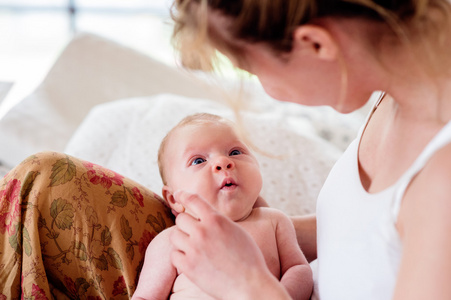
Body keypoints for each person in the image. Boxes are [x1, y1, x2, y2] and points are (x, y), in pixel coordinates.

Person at [167, 0, 451, 299]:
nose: (266, 89)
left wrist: (248, 285)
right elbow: (372, 233)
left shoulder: (443, 179)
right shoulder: (394, 95)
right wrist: (255, 230)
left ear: (314, 44)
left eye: (254, 70)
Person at [132, 113, 313, 299]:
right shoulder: (173, 240)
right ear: (173, 199)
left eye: (235, 152)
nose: (223, 162)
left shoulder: (273, 221)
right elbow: (146, 297)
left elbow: (298, 269)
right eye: (198, 161)